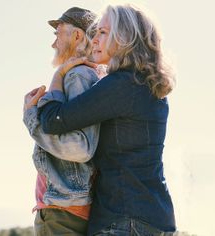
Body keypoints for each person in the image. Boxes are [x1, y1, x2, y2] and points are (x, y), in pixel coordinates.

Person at [25, 4, 176, 236]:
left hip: (124, 221)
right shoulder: (148, 85)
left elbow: (55, 120)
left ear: (125, 37)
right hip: (156, 217)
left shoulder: (121, 84)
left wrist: (58, 77)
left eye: (103, 32)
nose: (94, 39)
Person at [23, 7, 105, 236]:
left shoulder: (77, 76)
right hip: (62, 209)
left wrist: (30, 116)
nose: (53, 43)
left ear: (77, 36)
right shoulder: (79, 75)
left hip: (63, 213)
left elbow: (78, 148)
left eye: (57, 33)